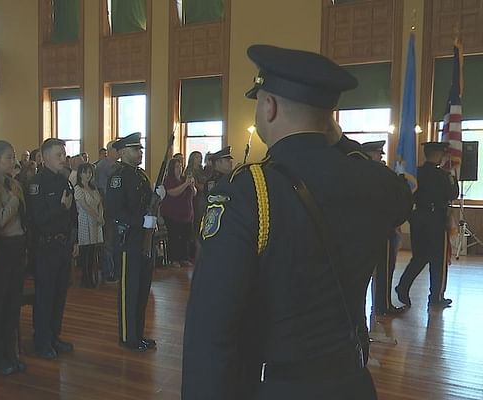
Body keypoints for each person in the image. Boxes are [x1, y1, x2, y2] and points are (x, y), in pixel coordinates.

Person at [182, 45, 412, 399]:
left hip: (278, 386)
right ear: (329, 117)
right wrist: (339, 141)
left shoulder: (249, 191)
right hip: (351, 382)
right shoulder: (375, 181)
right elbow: (402, 197)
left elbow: (209, 329)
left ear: (269, 107)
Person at [106, 132, 161, 352]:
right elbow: (114, 211)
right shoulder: (118, 177)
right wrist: (141, 220)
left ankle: (138, 333)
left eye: (140, 149)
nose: (140, 153)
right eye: (135, 149)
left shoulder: (140, 175)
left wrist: (157, 196)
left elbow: (146, 203)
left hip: (143, 240)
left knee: (142, 289)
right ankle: (129, 337)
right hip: (128, 239)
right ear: (122, 152)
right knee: (130, 290)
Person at [0, 140, 29, 376]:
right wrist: (13, 198)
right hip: (0, 249)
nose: (13, 161)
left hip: (18, 246)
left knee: (12, 304)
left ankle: (11, 353)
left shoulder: (13, 183)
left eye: (13, 157)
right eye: (8, 157)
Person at [26, 138, 76, 359]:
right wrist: (60, 207)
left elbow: (72, 215)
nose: (63, 159)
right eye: (58, 155)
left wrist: (74, 242)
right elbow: (38, 219)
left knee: (59, 295)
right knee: (45, 296)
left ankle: (55, 335)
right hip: (46, 247)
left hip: (63, 245)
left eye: (64, 154)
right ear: (45, 158)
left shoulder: (65, 181)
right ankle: (42, 341)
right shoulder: (37, 183)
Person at [396, 142, 459, 309]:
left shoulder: (415, 173)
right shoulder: (443, 175)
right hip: (436, 220)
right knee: (438, 260)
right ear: (439, 155)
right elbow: (453, 194)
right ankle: (436, 297)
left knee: (420, 257)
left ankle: (403, 286)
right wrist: (452, 174)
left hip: (418, 218)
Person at [359, 141, 405, 315]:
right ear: (369, 154)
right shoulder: (376, 174)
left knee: (379, 269)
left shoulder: (361, 173)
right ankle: (382, 306)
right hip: (379, 228)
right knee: (383, 269)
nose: (380, 157)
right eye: (378, 153)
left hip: (369, 228)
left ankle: (379, 305)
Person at [161, 158, 196, 268]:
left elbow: (194, 193)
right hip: (173, 214)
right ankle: (174, 259)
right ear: (172, 168)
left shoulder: (184, 179)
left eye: (180, 166)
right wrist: (186, 184)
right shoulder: (168, 180)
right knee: (175, 237)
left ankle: (184, 258)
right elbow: (173, 193)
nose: (179, 169)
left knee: (186, 237)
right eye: (177, 166)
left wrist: (192, 185)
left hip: (187, 213)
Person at [75, 163, 104, 288]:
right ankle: (85, 278)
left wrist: (101, 215)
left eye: (90, 172)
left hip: (95, 221)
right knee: (85, 250)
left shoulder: (93, 188)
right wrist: (96, 216)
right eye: (85, 172)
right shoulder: (77, 188)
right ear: (80, 174)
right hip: (84, 220)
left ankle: (91, 276)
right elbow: (84, 206)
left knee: (92, 250)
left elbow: (100, 203)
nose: (88, 175)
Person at [95, 140, 119, 282]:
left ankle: (116, 270)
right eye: (117, 150)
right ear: (110, 151)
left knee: (115, 241)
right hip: (107, 208)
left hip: (115, 208)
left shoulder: (118, 166)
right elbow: (101, 189)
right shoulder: (102, 166)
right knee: (108, 242)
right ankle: (108, 272)